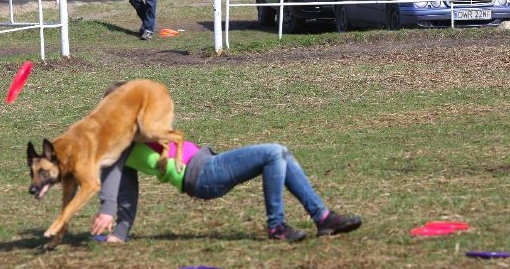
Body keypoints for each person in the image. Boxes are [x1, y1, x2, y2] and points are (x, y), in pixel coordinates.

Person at [91, 83, 362, 244]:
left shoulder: (142, 130)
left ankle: (323, 218)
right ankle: (277, 226)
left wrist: (122, 232)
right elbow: (117, 180)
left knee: (282, 155)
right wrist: (110, 215)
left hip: (208, 163)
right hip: (201, 176)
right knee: (273, 152)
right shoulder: (118, 145)